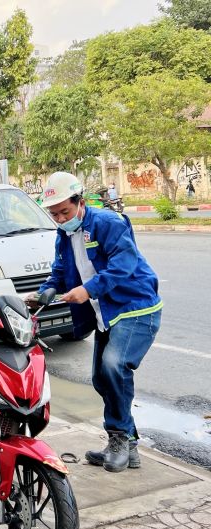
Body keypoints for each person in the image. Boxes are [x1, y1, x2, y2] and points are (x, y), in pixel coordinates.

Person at [30, 172, 162, 473]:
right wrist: (47, 290)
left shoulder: (108, 224)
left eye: (65, 211)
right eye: (55, 214)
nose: (61, 219)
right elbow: (61, 270)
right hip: (108, 313)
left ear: (80, 202)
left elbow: (123, 266)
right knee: (102, 379)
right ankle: (127, 445)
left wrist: (88, 289)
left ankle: (120, 439)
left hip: (136, 308)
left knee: (114, 367)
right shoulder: (63, 236)